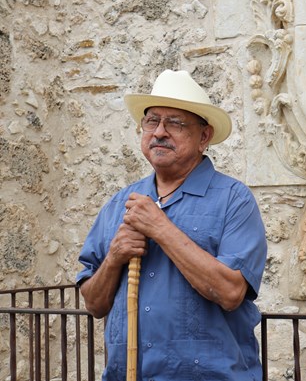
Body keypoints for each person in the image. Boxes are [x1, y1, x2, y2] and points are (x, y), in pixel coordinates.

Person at [76, 69, 268, 381]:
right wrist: (114, 257)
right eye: (151, 121)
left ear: (204, 137)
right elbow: (94, 304)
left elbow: (231, 291)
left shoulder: (234, 199)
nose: (160, 132)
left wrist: (160, 228)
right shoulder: (119, 204)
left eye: (175, 123)